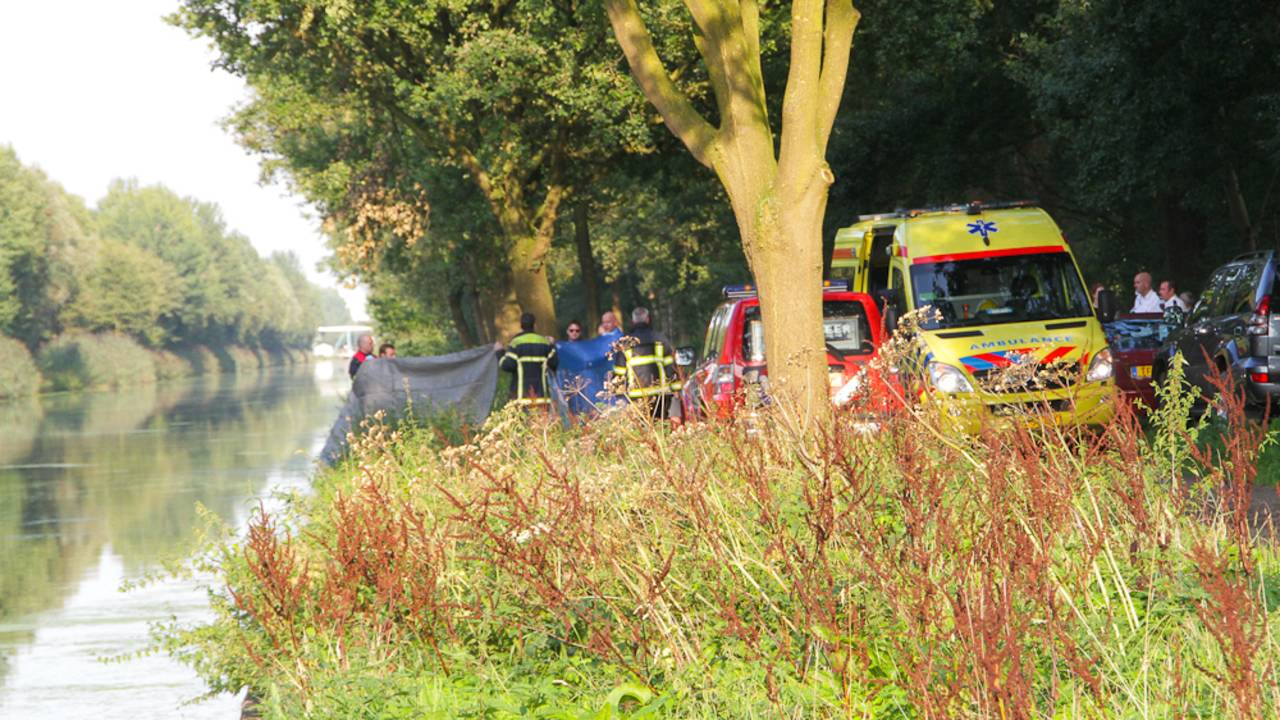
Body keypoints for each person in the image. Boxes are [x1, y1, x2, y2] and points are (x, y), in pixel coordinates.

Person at [609, 307, 682, 422]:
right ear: (648, 319)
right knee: (662, 427)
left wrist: (618, 397)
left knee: (643, 430)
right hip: (661, 396)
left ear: (633, 322)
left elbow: (619, 373)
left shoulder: (625, 343)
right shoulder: (660, 339)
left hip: (637, 397)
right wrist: (677, 391)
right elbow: (671, 368)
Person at [496, 312, 558, 409]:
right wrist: (552, 345)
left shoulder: (516, 343)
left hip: (521, 398)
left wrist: (499, 352)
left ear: (521, 325)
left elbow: (507, 366)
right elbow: (554, 364)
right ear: (534, 325)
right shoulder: (544, 342)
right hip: (541, 397)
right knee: (540, 424)